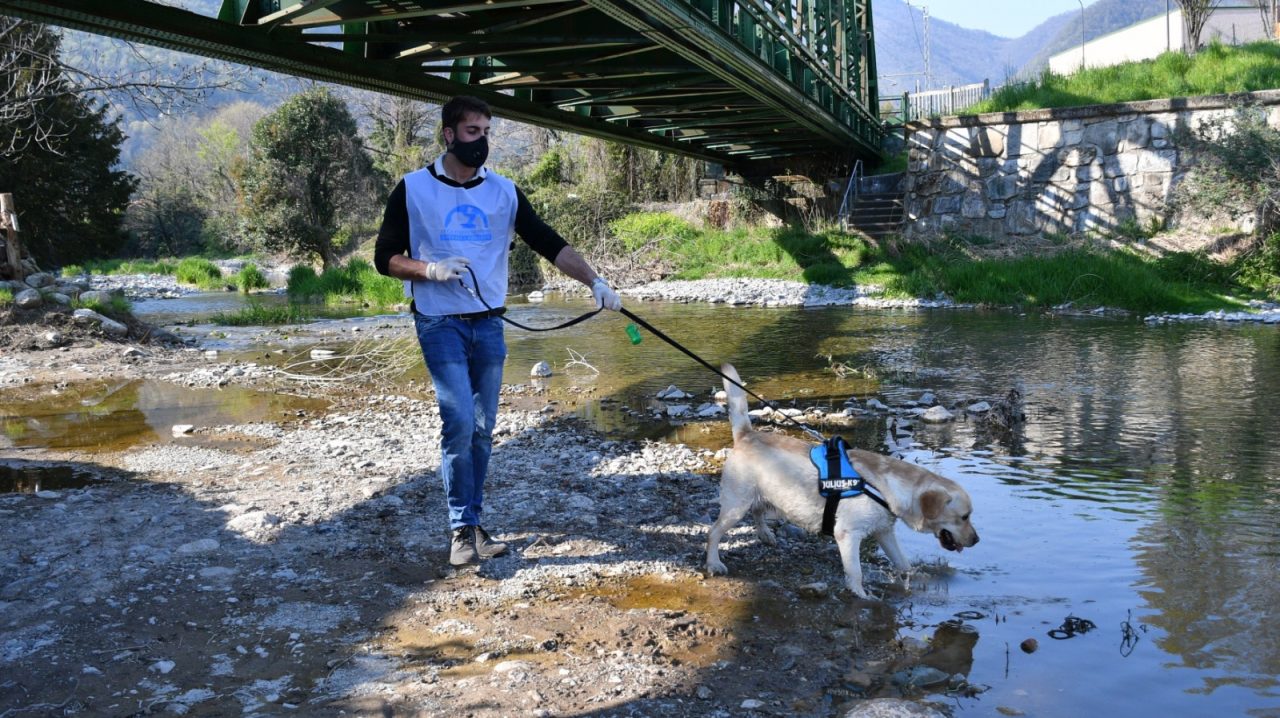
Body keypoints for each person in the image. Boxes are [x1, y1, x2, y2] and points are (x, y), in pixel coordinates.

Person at [375, 95, 622, 567]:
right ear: (448, 134)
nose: (481, 142)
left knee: (484, 429)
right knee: (460, 421)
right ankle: (460, 531)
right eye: (473, 132)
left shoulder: (504, 192)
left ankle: (474, 521)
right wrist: (429, 270)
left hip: (489, 323)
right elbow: (384, 256)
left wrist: (595, 281)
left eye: (487, 132)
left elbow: (548, 241)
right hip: (438, 321)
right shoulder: (412, 189)